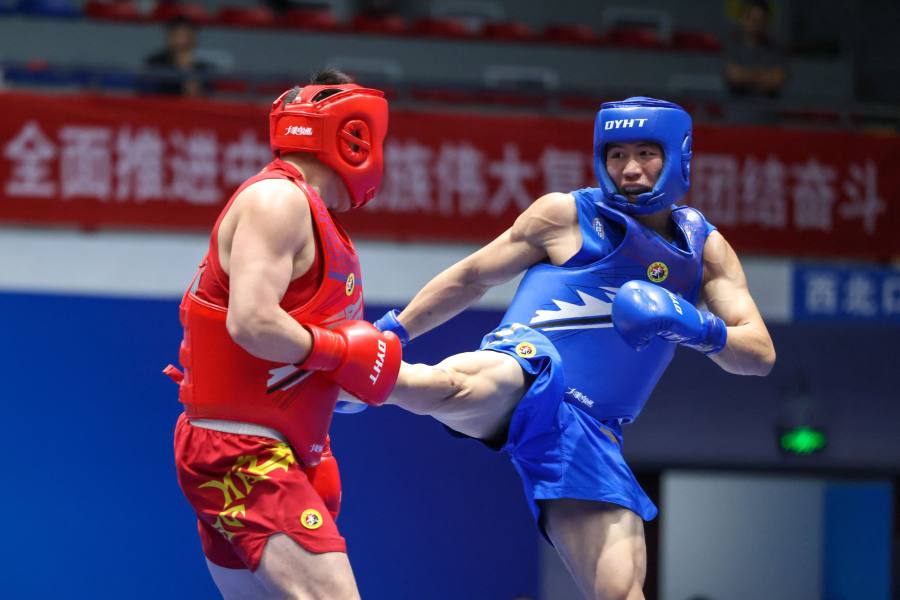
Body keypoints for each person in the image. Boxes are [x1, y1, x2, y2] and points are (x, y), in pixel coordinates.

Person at [355, 97, 776, 600]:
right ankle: (358, 369)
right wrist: (391, 333)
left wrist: (693, 324)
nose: (630, 169)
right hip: (529, 363)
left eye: (646, 153)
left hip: (594, 430)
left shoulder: (703, 248)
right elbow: (471, 277)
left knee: (621, 590)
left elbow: (759, 355)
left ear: (677, 157)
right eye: (617, 155)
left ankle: (363, 372)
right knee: (463, 382)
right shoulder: (567, 215)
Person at [164, 69, 401, 600]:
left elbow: (302, 353)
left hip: (273, 446)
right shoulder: (278, 201)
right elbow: (251, 321)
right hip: (243, 451)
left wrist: (344, 378)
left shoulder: (315, 219)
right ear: (356, 137)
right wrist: (339, 353)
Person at [723, 0, 787, 98]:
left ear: (766, 22)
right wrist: (764, 75)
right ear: (743, 18)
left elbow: (778, 79)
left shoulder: (775, 47)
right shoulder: (732, 44)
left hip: (768, 105)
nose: (755, 24)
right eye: (752, 18)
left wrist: (745, 75)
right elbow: (734, 76)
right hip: (736, 104)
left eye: (760, 19)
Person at [144, 16, 215, 97]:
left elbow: (200, 99)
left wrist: (188, 69)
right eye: (177, 36)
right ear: (169, 38)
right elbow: (149, 96)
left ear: (195, 39)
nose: (183, 41)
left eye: (188, 36)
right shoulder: (154, 64)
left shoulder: (205, 69)